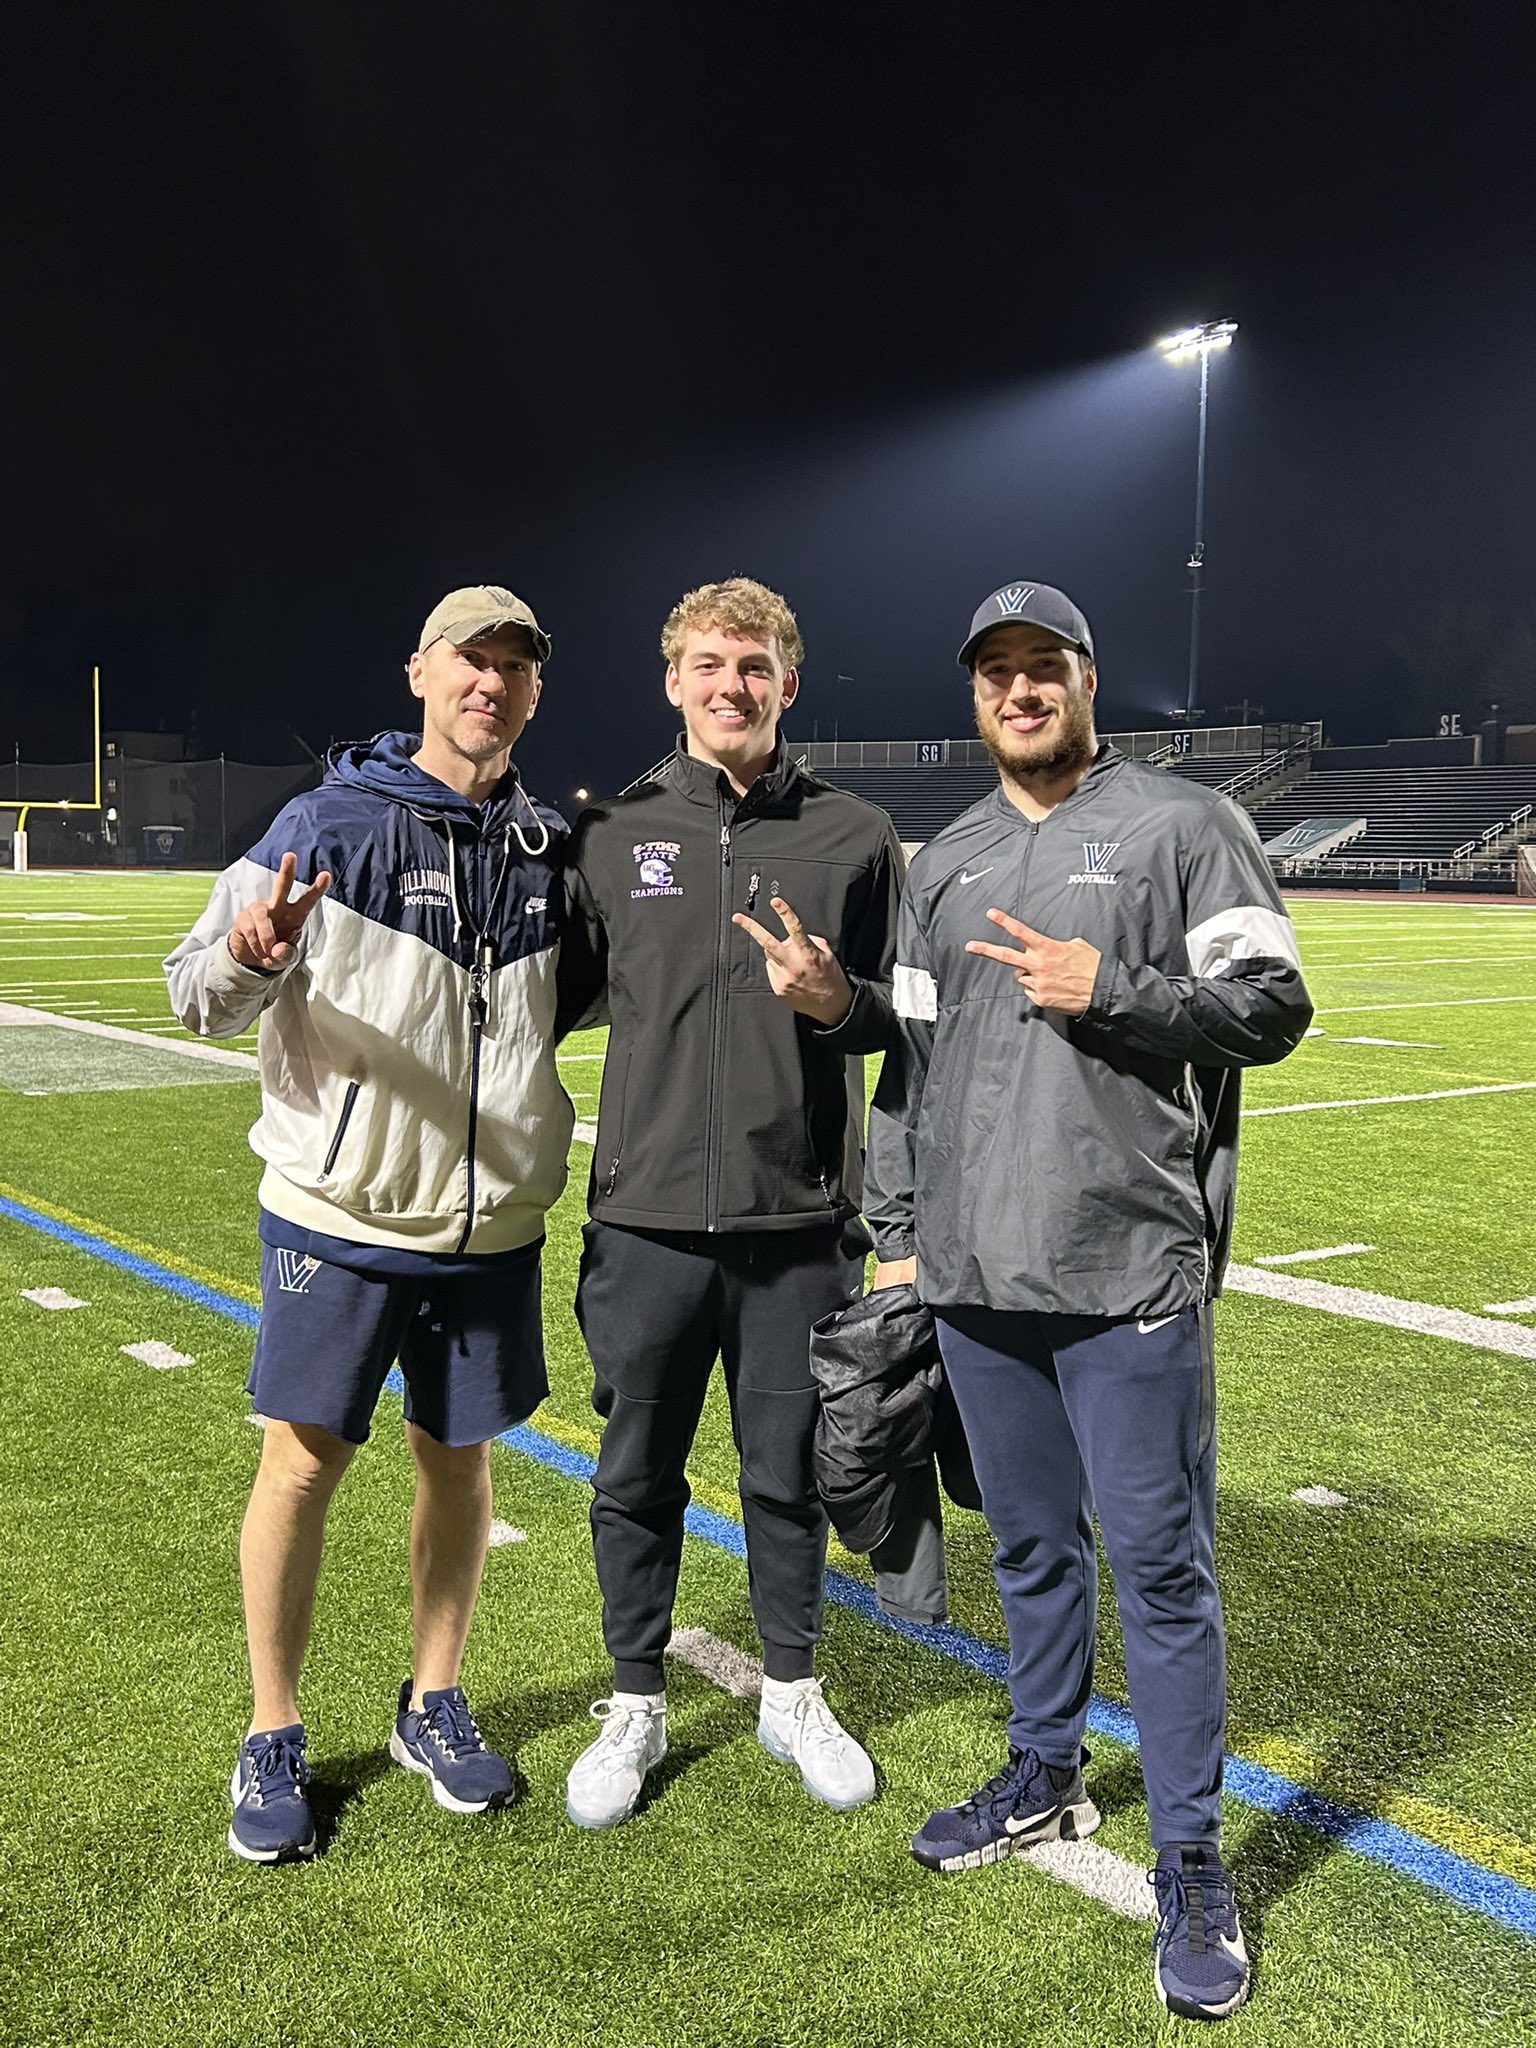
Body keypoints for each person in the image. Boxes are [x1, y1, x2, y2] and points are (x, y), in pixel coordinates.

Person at [864, 581, 1312, 2022]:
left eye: (1040, 666)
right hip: (980, 1279)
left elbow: (1274, 1008)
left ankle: (1191, 1859)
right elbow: (912, 1071)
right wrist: (898, 1236)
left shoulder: (1190, 826)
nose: (1017, 690)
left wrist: (1112, 987)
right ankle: (1045, 1773)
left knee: (1163, 1573)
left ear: (1086, 678)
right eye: (993, 670)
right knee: (1036, 1556)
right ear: (976, 692)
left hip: (1128, 1274)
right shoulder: (950, 859)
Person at [165, 585, 572, 1862]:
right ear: (420, 671)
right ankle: (272, 1725)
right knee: (301, 1463)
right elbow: (196, 995)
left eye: (513, 664)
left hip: (491, 1226)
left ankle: (432, 1699)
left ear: (534, 690)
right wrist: (251, 950)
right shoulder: (323, 822)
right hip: (339, 1214)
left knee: (460, 1460)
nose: (490, 682)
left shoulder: (548, 846)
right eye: (470, 658)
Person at [556, 576, 903, 1829]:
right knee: (635, 1470)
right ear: (673, 681)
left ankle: (793, 1686)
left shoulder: (856, 834)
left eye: (753, 665)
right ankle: (636, 1696)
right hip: (643, 1219)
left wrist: (836, 1005)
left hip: (796, 1223)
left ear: (787, 683)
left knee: (786, 1475)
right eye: (708, 664)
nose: (730, 685)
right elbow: (545, 1009)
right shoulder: (611, 833)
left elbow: (901, 1014)